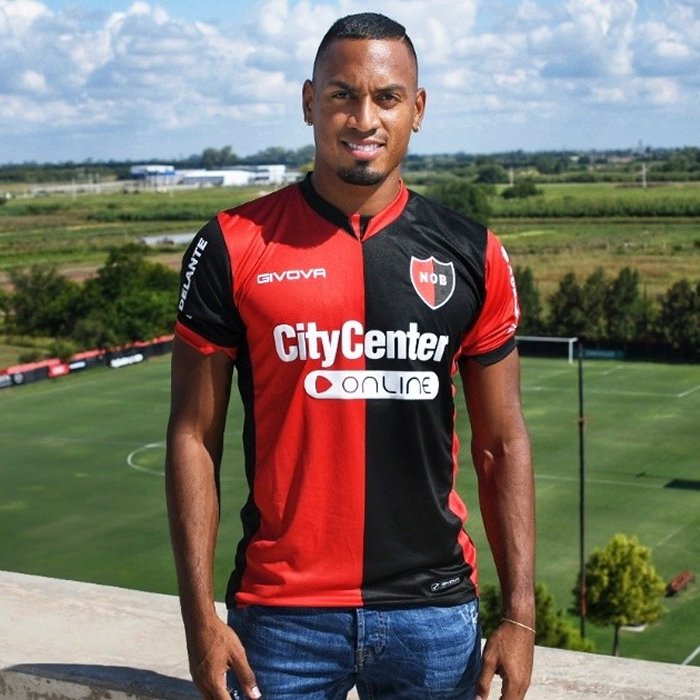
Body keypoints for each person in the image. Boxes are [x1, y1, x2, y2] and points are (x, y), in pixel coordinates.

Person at [166, 11, 535, 700]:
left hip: (433, 615)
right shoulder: (231, 244)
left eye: (386, 97)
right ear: (310, 102)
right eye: (342, 94)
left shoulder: (473, 252)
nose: (364, 118)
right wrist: (198, 619)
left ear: (417, 109)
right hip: (280, 619)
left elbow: (502, 443)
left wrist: (519, 613)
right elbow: (193, 437)